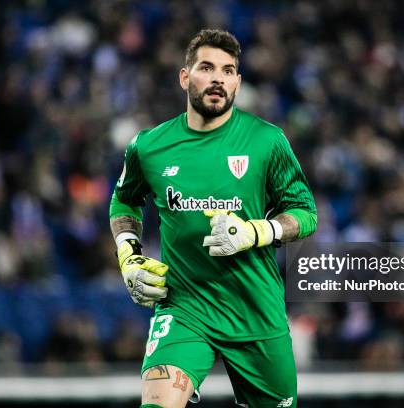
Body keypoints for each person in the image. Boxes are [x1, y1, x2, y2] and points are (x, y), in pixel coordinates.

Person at [109, 28, 317, 408]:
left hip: (256, 312)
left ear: (237, 81)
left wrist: (258, 230)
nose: (218, 77)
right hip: (185, 307)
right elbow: (123, 202)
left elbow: (305, 214)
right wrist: (128, 254)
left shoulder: (266, 141)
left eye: (228, 70)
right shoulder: (150, 146)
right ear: (185, 77)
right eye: (207, 67)